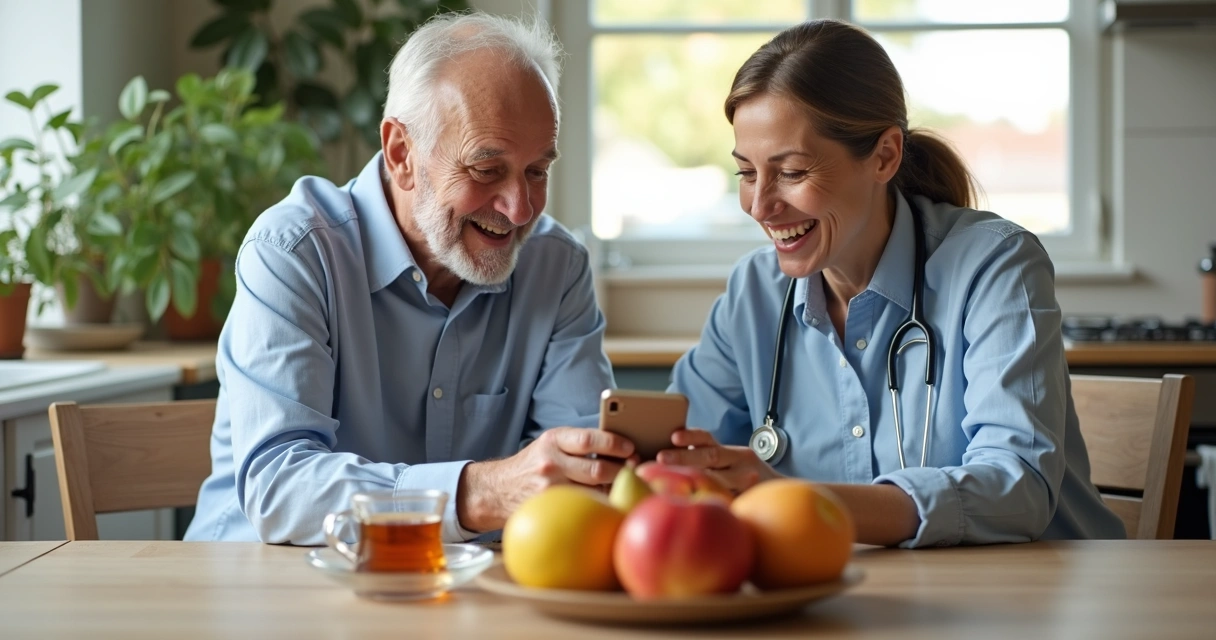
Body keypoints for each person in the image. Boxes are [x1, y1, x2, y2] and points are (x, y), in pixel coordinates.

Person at [660, 20, 1126, 548]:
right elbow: (680, 454)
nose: (760, 206)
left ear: (884, 155)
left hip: (1036, 604)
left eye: (790, 172)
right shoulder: (754, 293)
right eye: (747, 173)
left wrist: (794, 500)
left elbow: (1016, 487)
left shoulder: (993, 265)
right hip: (854, 600)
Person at [185, 13, 635, 545]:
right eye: (486, 170)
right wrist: (481, 491)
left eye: (537, 171)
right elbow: (281, 488)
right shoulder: (294, 252)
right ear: (402, 153)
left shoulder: (556, 266)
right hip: (266, 592)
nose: (519, 210)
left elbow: (577, 472)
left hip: (463, 600)